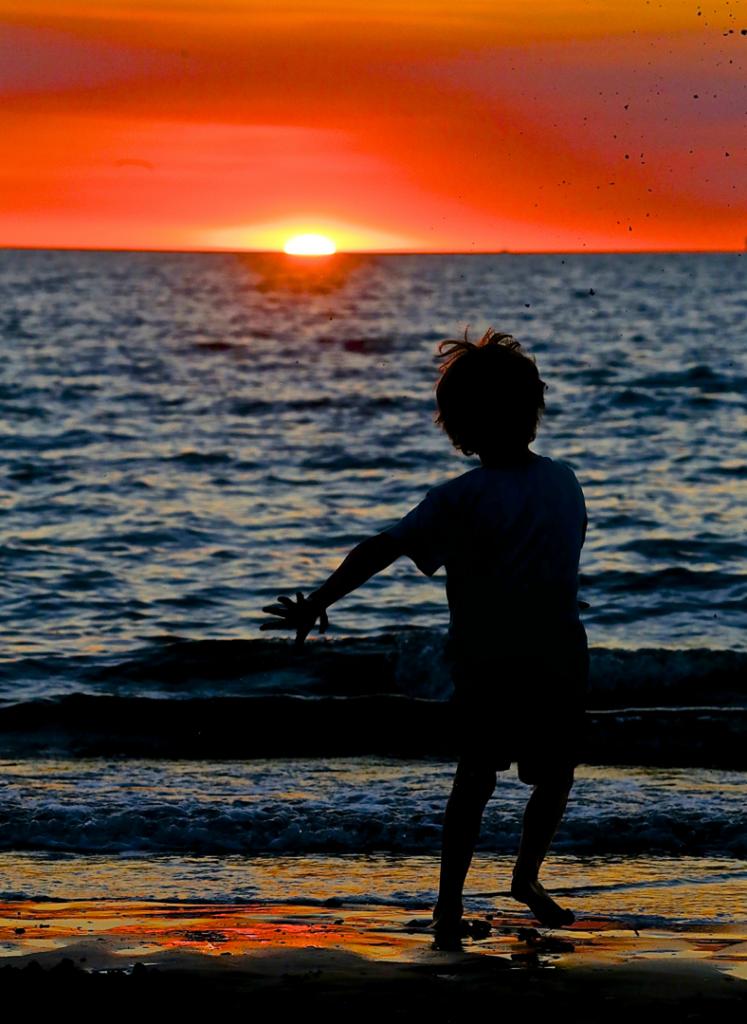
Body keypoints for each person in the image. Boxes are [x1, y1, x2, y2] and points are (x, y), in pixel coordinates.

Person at [261, 328, 588, 942]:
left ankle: (449, 905)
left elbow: (381, 549)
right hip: (560, 659)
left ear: (459, 428)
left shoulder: (458, 499)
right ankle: (526, 876)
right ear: (533, 410)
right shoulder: (565, 482)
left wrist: (318, 603)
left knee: (475, 779)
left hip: (489, 663)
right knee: (557, 772)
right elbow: (558, 560)